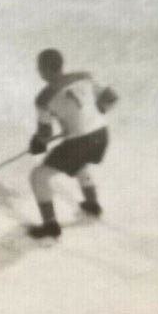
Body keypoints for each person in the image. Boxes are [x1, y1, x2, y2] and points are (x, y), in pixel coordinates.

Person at [27, 48, 118, 238]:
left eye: (39, 68)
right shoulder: (85, 76)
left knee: (39, 176)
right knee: (78, 162)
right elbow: (111, 97)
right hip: (102, 135)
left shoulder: (44, 98)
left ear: (45, 70)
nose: (38, 72)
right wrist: (93, 114)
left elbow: (45, 133)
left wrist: (38, 142)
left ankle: (50, 226)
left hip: (79, 142)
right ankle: (92, 205)